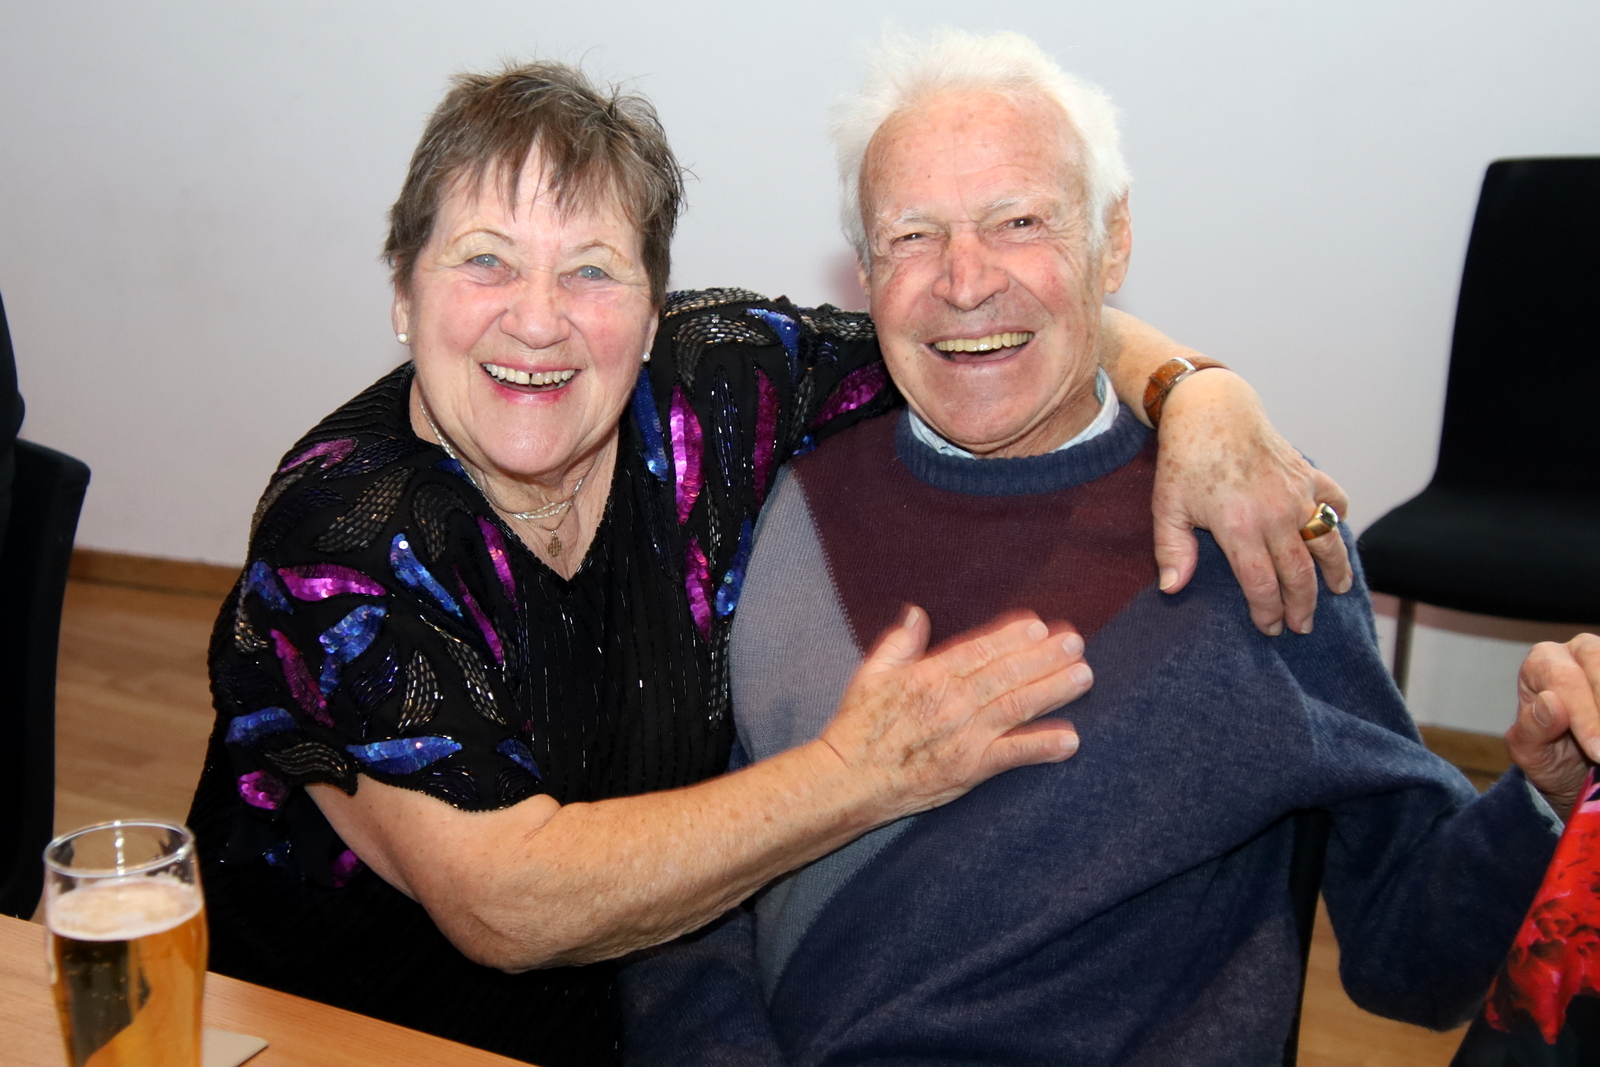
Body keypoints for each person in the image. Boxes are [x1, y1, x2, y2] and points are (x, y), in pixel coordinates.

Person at [186, 61, 1357, 1066]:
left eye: (591, 269)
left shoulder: (717, 388)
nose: (537, 320)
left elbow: (974, 321)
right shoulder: (345, 532)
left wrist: (1195, 388)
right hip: (344, 1027)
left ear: (654, 310)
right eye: (485, 261)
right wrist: (862, 770)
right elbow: (507, 900)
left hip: (643, 1013)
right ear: (402, 292)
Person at [618, 31, 1600, 1066]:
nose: (964, 281)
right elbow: (695, 886)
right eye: (912, 236)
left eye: (1020, 222)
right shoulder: (787, 507)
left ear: (1113, 241)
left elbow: (1415, 961)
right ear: (864, 272)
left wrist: (1543, 794)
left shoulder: (1247, 524)